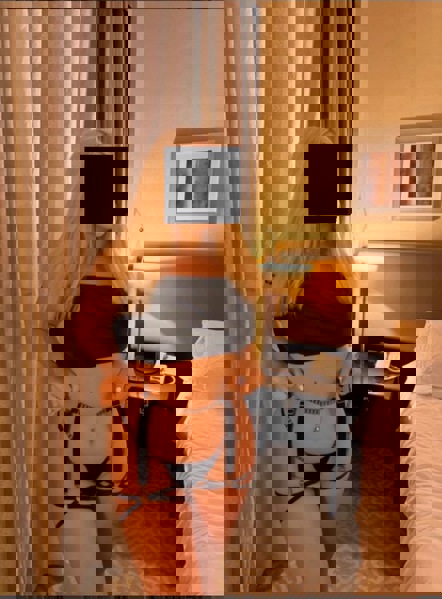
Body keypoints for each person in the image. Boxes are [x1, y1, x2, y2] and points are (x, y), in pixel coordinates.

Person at [261, 127, 358, 592]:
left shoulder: (289, 265)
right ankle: (313, 578)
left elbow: (267, 332)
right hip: (330, 408)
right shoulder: (344, 267)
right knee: (320, 504)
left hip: (297, 403)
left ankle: (307, 582)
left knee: (297, 500)